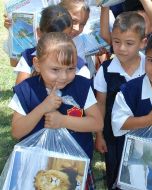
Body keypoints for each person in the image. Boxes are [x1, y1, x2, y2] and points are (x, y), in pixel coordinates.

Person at [8, 32, 103, 189]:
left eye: (71, 68)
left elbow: (97, 123)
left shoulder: (82, 86)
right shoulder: (26, 90)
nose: (64, 76)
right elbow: (17, 131)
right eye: (55, 69)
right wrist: (43, 107)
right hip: (36, 167)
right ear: (37, 64)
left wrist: (63, 121)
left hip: (74, 169)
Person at [94, 11, 147, 189]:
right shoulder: (106, 69)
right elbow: (100, 103)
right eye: (116, 42)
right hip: (113, 137)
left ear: (143, 43)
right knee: (116, 177)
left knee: (143, 177)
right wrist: (99, 135)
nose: (122, 48)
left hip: (145, 136)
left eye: (129, 43)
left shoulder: (150, 66)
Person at [13, 5, 90, 85]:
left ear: (70, 36)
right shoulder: (28, 58)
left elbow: (82, 91)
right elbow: (20, 90)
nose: (56, 44)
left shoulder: (77, 66)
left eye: (63, 37)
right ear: (39, 32)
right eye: (51, 37)